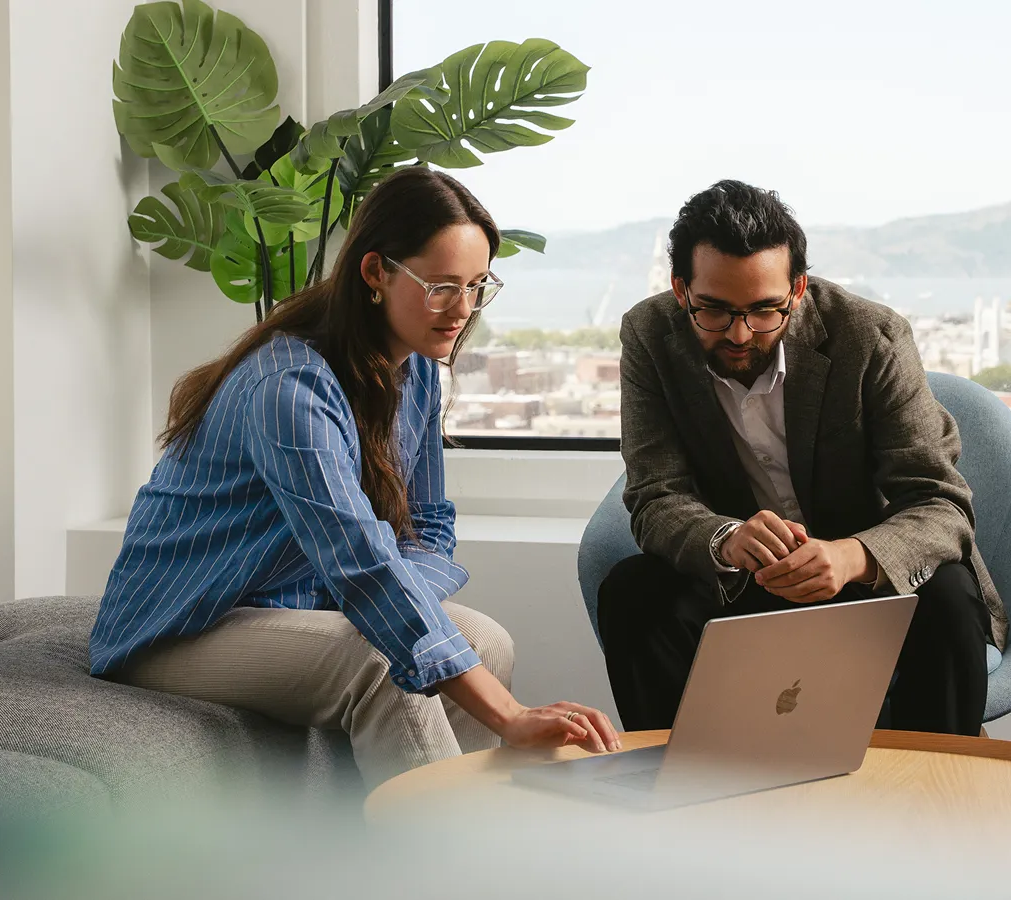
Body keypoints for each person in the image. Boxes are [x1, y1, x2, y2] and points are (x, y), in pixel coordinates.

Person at [90, 167, 620, 787]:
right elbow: (360, 561)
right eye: (442, 286)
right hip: (180, 625)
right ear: (375, 273)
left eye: (478, 286)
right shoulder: (289, 388)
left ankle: (489, 831)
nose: (463, 310)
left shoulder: (415, 366)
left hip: (290, 603)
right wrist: (508, 714)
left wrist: (407, 600)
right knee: (380, 661)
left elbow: (426, 524)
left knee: (486, 640)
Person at [600, 179, 1008, 737]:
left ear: (797, 290)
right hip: (742, 583)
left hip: (866, 583)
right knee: (631, 593)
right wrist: (725, 539)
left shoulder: (870, 336)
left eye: (765, 310)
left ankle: (930, 799)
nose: (740, 334)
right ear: (680, 290)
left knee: (948, 597)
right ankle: (690, 790)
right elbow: (654, 496)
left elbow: (941, 503)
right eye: (714, 312)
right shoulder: (649, 335)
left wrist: (851, 557)